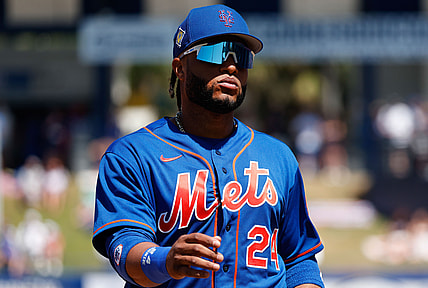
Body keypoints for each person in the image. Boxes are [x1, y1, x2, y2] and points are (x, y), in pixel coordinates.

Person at [92, 4, 325, 288]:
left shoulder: (278, 156)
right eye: (215, 53)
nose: (230, 66)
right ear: (180, 68)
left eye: (241, 56)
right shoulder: (133, 155)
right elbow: (124, 249)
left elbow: (299, 259)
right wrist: (165, 261)